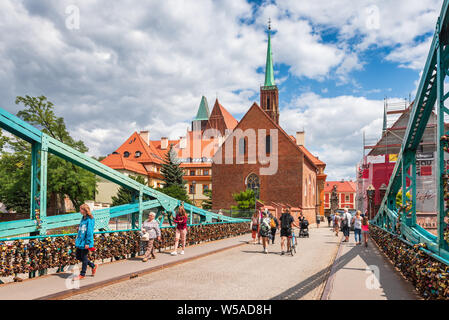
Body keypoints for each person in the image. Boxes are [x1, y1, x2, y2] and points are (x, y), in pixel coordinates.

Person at [73, 204, 97, 280]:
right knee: (78, 256)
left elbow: (89, 231)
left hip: (85, 242)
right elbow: (83, 228)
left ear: (84, 210)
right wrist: (79, 228)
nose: (80, 211)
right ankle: (93, 266)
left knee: (83, 257)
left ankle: (82, 274)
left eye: (80, 209)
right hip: (80, 241)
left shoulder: (90, 219)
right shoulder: (83, 218)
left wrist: (88, 243)